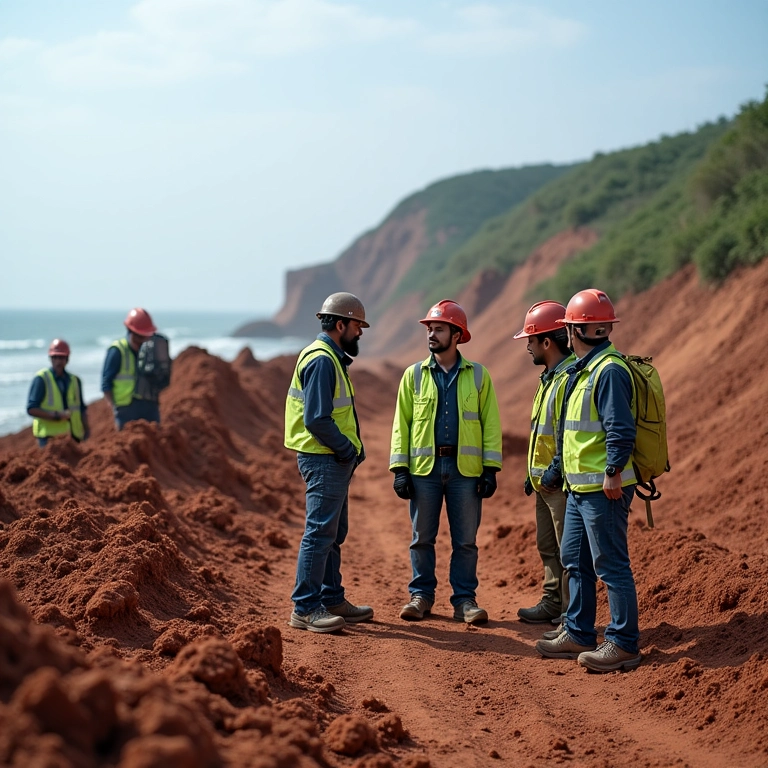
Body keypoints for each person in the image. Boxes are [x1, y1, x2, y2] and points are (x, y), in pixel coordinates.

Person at [535, 289, 642, 672]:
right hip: (580, 488)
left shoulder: (608, 370)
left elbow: (620, 427)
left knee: (610, 564)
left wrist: (614, 471)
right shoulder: (584, 369)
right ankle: (578, 631)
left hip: (604, 488)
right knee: (574, 561)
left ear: (573, 330)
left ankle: (623, 642)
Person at [390, 300, 502, 625]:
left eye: (438, 328)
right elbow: (402, 424)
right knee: (421, 537)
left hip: (464, 472)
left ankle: (465, 601)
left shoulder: (479, 376)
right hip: (423, 471)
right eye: (429, 328)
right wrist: (400, 470)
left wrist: (490, 469)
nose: (431, 333)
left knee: (465, 541)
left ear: (457, 334)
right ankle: (421, 596)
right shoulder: (413, 376)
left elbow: (490, 424)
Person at [284, 292, 374, 633]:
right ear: (340, 324)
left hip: (330, 457)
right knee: (320, 533)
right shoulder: (323, 359)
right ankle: (305, 608)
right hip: (323, 457)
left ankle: (331, 597)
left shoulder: (330, 357)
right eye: (357, 325)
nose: (360, 333)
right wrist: (346, 450)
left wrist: (351, 450)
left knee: (333, 532)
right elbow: (317, 419)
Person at [513, 302, 574, 628]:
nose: (527, 347)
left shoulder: (567, 379)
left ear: (547, 342)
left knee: (569, 553)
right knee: (548, 547)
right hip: (544, 482)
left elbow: (568, 432)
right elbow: (543, 432)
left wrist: (556, 467)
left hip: (559, 483)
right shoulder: (549, 378)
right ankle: (553, 602)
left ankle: (570, 614)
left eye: (531, 340)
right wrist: (532, 473)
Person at [102, 308, 160, 430]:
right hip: (125, 410)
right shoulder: (117, 351)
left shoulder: (150, 350)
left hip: (149, 407)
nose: (143, 342)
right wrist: (114, 408)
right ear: (131, 332)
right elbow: (106, 384)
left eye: (146, 337)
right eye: (140, 337)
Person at [27, 339, 89, 447]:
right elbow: (32, 408)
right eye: (55, 357)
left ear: (67, 358)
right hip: (48, 438)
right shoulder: (42, 379)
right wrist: (55, 416)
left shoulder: (75, 380)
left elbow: (81, 408)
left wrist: (87, 430)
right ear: (50, 358)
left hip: (73, 436)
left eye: (61, 357)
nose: (58, 361)